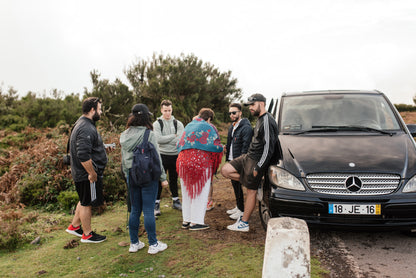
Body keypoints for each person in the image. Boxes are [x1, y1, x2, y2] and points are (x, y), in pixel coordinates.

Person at [221, 94, 278, 232]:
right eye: (249, 105)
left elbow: (268, 148)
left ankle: (244, 223)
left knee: (250, 191)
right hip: (248, 156)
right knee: (225, 170)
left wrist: (259, 167)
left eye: (253, 105)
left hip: (256, 160)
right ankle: (254, 183)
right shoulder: (259, 119)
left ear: (262, 104)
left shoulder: (267, 121)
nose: (250, 108)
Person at [120, 104, 169, 254]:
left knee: (135, 209)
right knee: (148, 210)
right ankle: (153, 245)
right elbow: (157, 158)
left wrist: (126, 174)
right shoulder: (149, 134)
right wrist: (163, 177)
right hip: (148, 175)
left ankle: (134, 243)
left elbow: (123, 159)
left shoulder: (124, 135)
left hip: (131, 175)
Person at [65, 97, 112, 243]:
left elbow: (87, 147)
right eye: (99, 109)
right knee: (87, 203)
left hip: (81, 172)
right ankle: (87, 234)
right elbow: (83, 155)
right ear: (92, 110)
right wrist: (92, 173)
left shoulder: (82, 123)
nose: (101, 111)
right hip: (85, 173)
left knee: (83, 198)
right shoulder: (85, 127)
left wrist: (102, 148)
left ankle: (74, 226)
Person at [177, 108, 223, 231]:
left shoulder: (189, 125)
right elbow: (216, 146)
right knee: (200, 192)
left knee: (186, 191)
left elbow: (179, 144)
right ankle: (196, 222)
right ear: (209, 119)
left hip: (182, 162)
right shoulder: (209, 127)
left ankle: (186, 220)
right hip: (199, 162)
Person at [153, 100, 184, 216]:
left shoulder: (178, 124)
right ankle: (156, 204)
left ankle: (176, 201)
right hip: (161, 155)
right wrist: (173, 136)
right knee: (159, 179)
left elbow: (180, 140)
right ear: (161, 110)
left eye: (169, 110)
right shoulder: (157, 124)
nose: (167, 113)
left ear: (172, 110)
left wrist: (167, 139)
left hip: (175, 155)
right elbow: (158, 139)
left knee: (174, 179)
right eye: (165, 111)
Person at [224, 103, 253, 220]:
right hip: (231, 159)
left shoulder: (246, 128)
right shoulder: (232, 126)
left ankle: (242, 210)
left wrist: (241, 162)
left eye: (234, 112)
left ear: (240, 113)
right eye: (230, 113)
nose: (232, 115)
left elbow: (246, 147)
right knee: (235, 186)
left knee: (240, 185)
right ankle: (239, 206)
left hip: (239, 161)